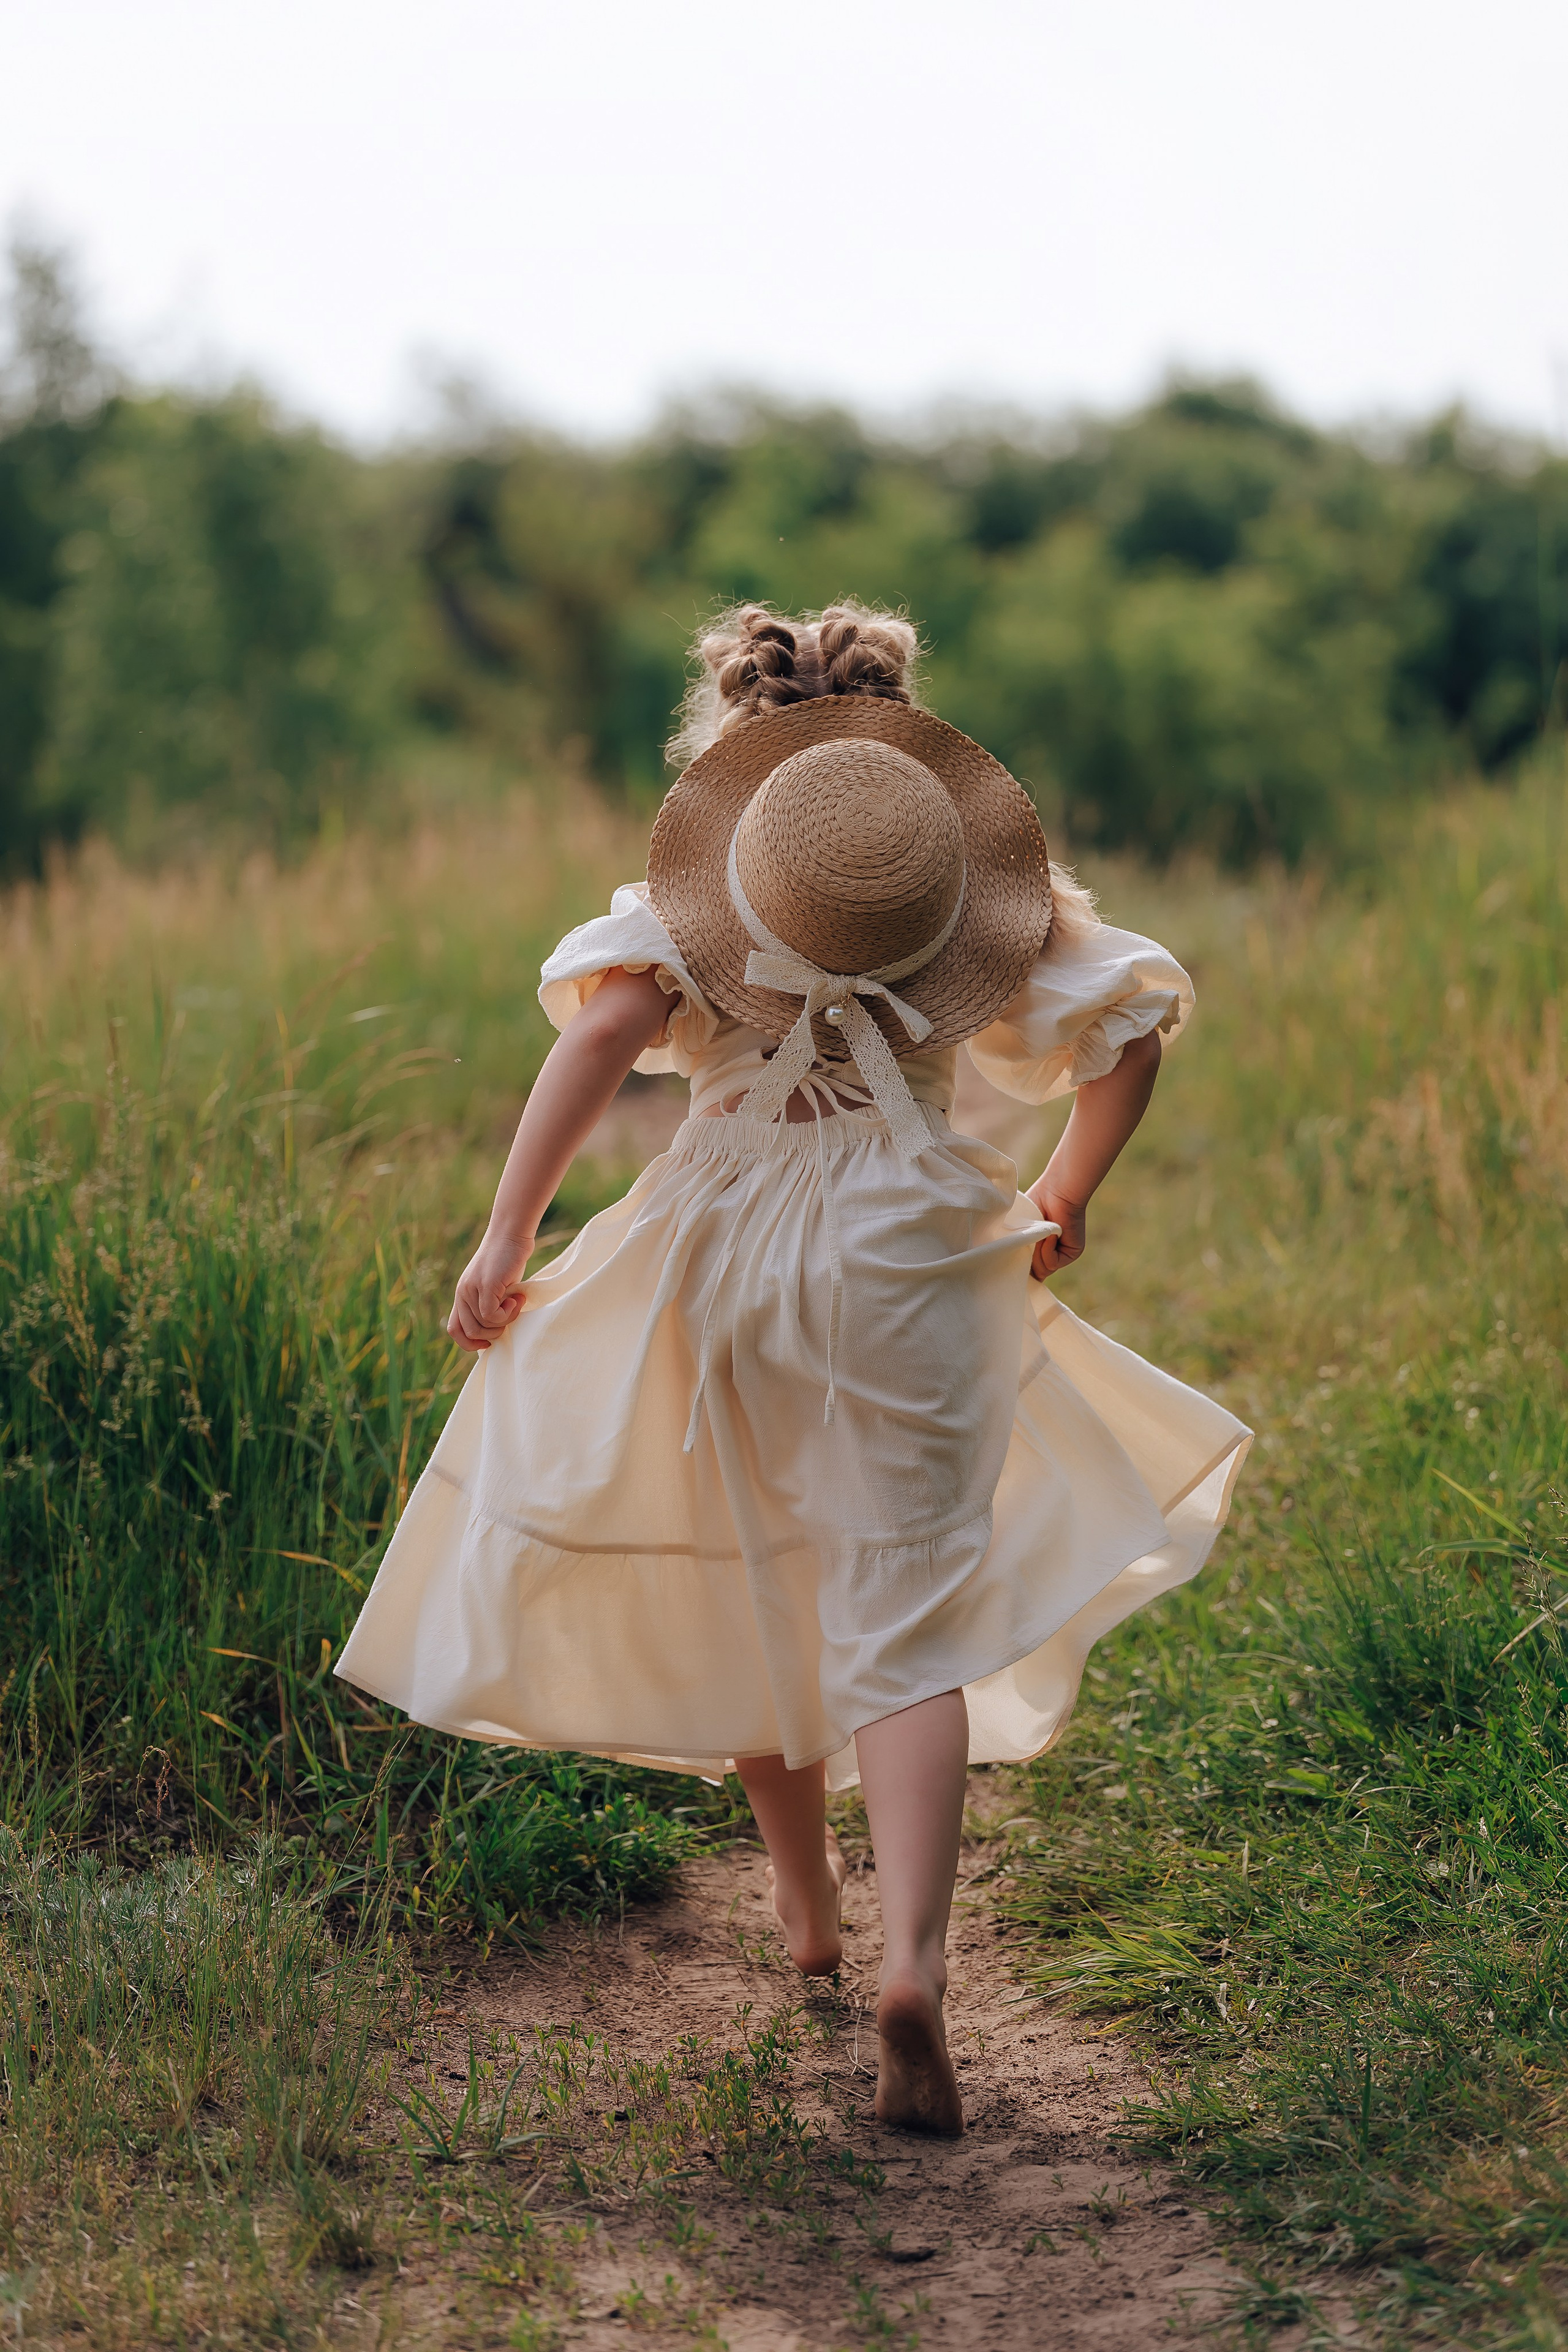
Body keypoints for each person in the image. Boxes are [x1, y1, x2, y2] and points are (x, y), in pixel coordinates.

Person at [336, 603, 1250, 2138]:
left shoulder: (702, 898)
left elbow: (596, 1041)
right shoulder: (960, 891)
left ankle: (805, 1909)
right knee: (905, 1610)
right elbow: (1128, 1024)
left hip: (715, 1251)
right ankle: (911, 1968)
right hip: (906, 1248)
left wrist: (504, 1238)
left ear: (736, 756)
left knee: (751, 1571)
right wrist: (1065, 1192)